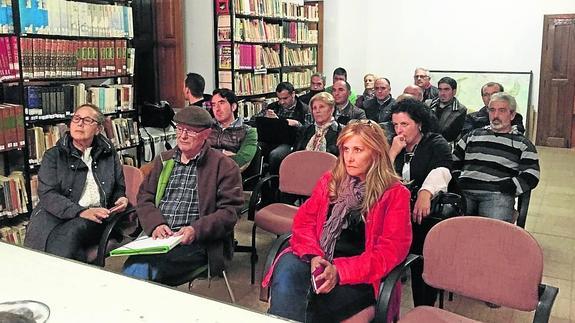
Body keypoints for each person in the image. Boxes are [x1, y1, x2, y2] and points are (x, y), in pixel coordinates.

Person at [264, 120, 412, 322]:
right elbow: (304, 222)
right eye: (346, 149)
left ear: (376, 153)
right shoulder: (330, 180)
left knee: (315, 305)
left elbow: (390, 252)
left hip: (359, 272)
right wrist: (314, 255)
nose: (349, 158)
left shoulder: (395, 194)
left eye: (358, 150)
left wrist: (340, 271)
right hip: (317, 256)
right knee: (286, 275)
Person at [122, 106, 243, 285]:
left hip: (198, 242)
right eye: (179, 129)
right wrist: (156, 224)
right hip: (159, 237)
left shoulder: (224, 166)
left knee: (142, 271)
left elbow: (230, 212)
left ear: (206, 134)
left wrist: (195, 230)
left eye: (191, 131)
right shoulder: (164, 160)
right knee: (134, 268)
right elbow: (145, 196)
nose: (182, 136)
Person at [24, 104, 130, 263]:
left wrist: (121, 198)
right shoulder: (53, 156)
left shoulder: (109, 153)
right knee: (47, 243)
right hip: (56, 214)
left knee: (68, 236)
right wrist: (79, 211)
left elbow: (118, 186)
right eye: (76, 119)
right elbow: (47, 194)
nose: (79, 124)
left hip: (96, 217)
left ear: (98, 129)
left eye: (87, 120)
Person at [388, 99, 453, 307]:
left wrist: (425, 192)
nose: (399, 130)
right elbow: (380, 177)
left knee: (422, 247)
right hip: (397, 210)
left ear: (420, 124)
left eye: (404, 124)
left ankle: (423, 306)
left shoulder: (436, 143)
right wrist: (393, 153)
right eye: (395, 125)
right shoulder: (394, 144)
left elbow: (443, 171)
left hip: (426, 213)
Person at [454, 92, 539, 223]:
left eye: (502, 111)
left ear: (512, 115)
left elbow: (532, 174)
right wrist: (457, 179)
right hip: (465, 190)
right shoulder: (472, 136)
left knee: (494, 231)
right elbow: (453, 160)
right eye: (492, 110)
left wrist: (510, 186)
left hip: (497, 194)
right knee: (447, 224)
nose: (496, 115)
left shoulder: (522, 144)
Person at [254, 81, 309, 174]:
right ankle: (254, 181)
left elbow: (309, 129)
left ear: (293, 94)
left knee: (275, 155)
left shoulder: (304, 109)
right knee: (254, 148)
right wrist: (266, 119)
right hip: (270, 139)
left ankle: (274, 183)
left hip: (290, 142)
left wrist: (297, 124)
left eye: (285, 98)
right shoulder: (273, 106)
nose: (282, 102)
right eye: (279, 98)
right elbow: (254, 120)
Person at [208, 88, 258, 171]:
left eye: (221, 103)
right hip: (203, 173)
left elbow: (241, 160)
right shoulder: (207, 127)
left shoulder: (249, 132)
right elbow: (196, 151)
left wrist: (209, 155)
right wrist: (223, 152)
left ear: (233, 107)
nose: (217, 109)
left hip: (230, 176)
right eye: (213, 105)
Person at [426, 77, 467, 143]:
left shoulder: (460, 110)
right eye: (440, 89)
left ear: (454, 91)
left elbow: (451, 135)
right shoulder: (428, 104)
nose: (442, 93)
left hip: (444, 144)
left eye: (446, 89)